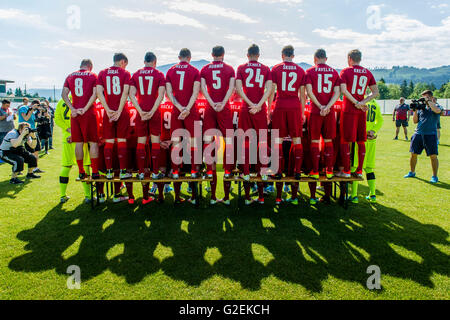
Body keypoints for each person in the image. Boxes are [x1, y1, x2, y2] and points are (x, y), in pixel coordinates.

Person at [236, 44, 273, 205]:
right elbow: (270, 89)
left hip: (246, 107)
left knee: (245, 141)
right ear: (258, 55)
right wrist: (259, 104)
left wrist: (250, 102)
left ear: (247, 54)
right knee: (262, 142)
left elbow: (238, 89)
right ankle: (263, 174)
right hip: (259, 108)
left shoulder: (241, 67)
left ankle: (245, 172)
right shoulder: (265, 68)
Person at [200, 45, 236, 205]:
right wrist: (223, 102)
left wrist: (211, 101)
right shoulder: (229, 68)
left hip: (210, 107)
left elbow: (203, 88)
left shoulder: (205, 69)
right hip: (224, 107)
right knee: (228, 144)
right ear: (223, 54)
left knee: (208, 144)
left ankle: (213, 196)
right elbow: (232, 88)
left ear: (212, 54)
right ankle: (227, 197)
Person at [339, 49, 379, 179]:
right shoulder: (367, 72)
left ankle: (346, 170)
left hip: (349, 109)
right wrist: (362, 102)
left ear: (349, 58)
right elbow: (375, 92)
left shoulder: (346, 71)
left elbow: (344, 90)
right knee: (361, 140)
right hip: (361, 110)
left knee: (345, 140)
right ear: (360, 59)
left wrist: (356, 102)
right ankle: (360, 169)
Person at [165, 48, 201, 182]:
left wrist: (180, 108)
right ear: (190, 58)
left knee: (176, 142)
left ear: (179, 57)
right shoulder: (195, 71)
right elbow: (195, 92)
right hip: (191, 110)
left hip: (176, 110)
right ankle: (193, 171)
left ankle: (174, 171)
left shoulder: (170, 71)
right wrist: (187, 109)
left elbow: (169, 93)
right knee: (192, 142)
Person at [305, 48, 341, 180]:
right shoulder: (334, 72)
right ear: (326, 59)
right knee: (328, 140)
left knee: (314, 140)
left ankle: (315, 171)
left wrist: (320, 106)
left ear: (314, 59)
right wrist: (328, 106)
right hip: (329, 112)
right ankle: (329, 170)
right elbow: (337, 93)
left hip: (316, 110)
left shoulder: (309, 71)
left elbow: (309, 92)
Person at [129, 51, 166, 181]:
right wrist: (152, 111)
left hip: (141, 111)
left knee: (141, 142)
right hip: (154, 111)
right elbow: (161, 95)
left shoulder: (136, 74)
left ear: (144, 61)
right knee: (155, 142)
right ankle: (155, 172)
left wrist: (140, 111)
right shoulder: (159, 74)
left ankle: (140, 172)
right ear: (155, 62)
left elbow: (131, 95)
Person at [62, 59, 101, 180]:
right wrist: (85, 108)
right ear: (90, 66)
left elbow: (64, 94)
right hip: (88, 113)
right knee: (93, 142)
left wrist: (73, 108)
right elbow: (95, 94)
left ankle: (81, 171)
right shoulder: (93, 75)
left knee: (78, 143)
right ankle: (94, 172)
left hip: (75, 114)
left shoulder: (70, 75)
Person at [97, 53, 132, 180]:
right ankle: (123, 171)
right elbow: (125, 93)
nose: (125, 67)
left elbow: (99, 93)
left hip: (108, 112)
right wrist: (118, 110)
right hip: (121, 111)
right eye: (125, 65)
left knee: (109, 142)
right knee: (122, 141)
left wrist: (107, 109)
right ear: (122, 61)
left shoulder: (102, 73)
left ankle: (109, 172)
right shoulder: (125, 73)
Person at [54, 98, 94, 204]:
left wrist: (68, 129)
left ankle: (62, 195)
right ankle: (88, 196)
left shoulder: (61, 101)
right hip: (80, 137)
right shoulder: (81, 100)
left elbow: (57, 119)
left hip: (66, 138)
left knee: (66, 166)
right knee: (85, 165)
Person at [404, 90, 443, 183]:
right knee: (413, 154)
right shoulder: (421, 108)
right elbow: (415, 121)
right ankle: (412, 172)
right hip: (418, 133)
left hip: (431, 135)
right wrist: (416, 110)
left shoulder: (437, 106)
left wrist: (428, 101)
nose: (423, 100)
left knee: (433, 156)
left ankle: (434, 176)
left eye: (425, 97)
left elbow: (437, 111)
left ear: (431, 97)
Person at [350, 98, 384, 204]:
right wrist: (373, 130)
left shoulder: (360, 101)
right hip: (371, 139)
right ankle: (372, 194)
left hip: (360, 138)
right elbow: (380, 120)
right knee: (369, 167)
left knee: (355, 166)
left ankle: (354, 195)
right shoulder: (375, 104)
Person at [19, 99, 44, 173]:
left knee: (36, 149)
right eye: (37, 106)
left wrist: (40, 112)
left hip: (33, 131)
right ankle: (28, 170)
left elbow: (34, 120)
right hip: (26, 132)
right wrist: (32, 109)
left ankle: (35, 168)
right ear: (33, 104)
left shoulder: (33, 112)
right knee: (30, 151)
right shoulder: (23, 108)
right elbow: (26, 118)